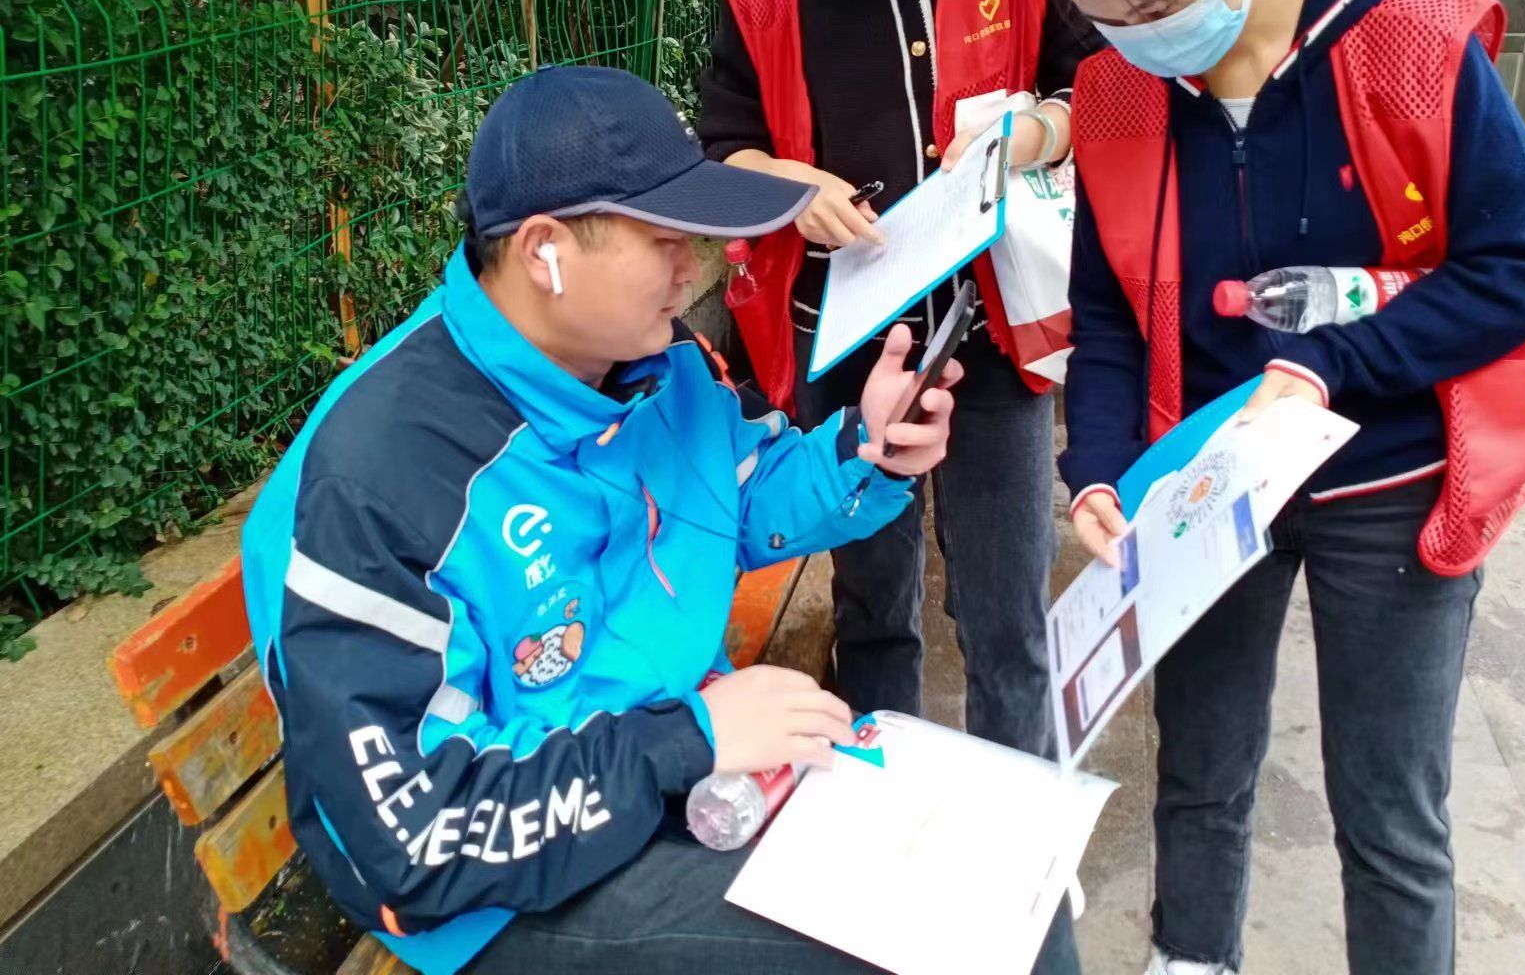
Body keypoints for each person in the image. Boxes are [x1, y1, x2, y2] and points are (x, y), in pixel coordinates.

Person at [239, 66, 1083, 975]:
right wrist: (688, 741)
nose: (696, 269)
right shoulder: (375, 478)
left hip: (683, 763)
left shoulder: (651, 361)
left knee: (1015, 884)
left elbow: (736, 493)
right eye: (666, 240)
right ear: (545, 250)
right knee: (954, 941)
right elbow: (412, 836)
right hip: (508, 884)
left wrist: (864, 449)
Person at [1031, 0, 1525, 975]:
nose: (1139, 41)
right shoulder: (1120, 92)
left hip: (1389, 476)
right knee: (1197, 770)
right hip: (1210, 478)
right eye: (1105, 20)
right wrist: (1099, 470)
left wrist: (1325, 363)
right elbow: (1111, 308)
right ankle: (1189, 958)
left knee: (1387, 804)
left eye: (1156, 6)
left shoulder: (1404, 42)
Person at [698, 0, 1103, 757]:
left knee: (1006, 612)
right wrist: (788, 184)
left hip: (992, 334)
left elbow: (1100, 87)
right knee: (872, 606)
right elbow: (722, 147)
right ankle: (882, 800)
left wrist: (1039, 130)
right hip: (841, 340)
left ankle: (1015, 809)